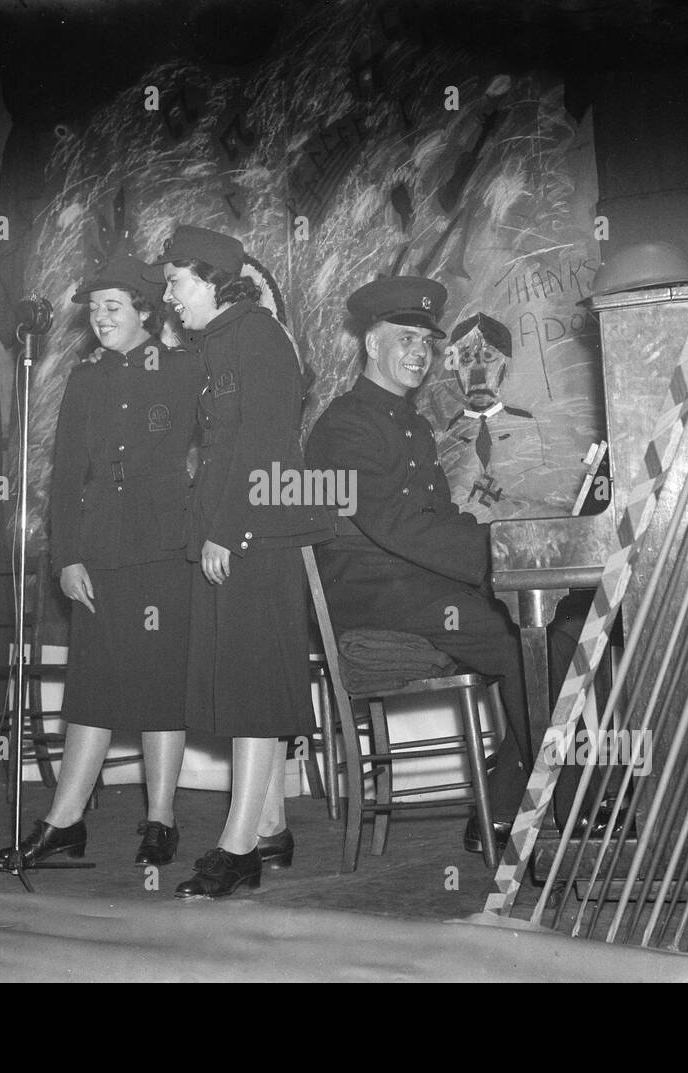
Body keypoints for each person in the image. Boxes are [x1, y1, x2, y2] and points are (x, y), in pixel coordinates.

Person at [304, 276, 535, 855]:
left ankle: (506, 803)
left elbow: (437, 520)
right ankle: (560, 800)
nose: (419, 354)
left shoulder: (410, 424)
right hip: (371, 592)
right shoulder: (347, 424)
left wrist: (505, 543)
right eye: (404, 339)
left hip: (413, 583)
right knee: (515, 640)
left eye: (426, 343)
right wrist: (492, 561)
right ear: (370, 345)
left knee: (553, 631)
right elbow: (396, 527)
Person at [144, 225, 331, 898]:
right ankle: (272, 826)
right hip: (227, 531)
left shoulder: (257, 335)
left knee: (252, 691)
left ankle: (238, 846)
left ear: (215, 279)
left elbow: (263, 442)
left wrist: (227, 529)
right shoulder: (211, 343)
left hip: (258, 534)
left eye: (176, 282)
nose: (169, 297)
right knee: (238, 683)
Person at [0, 254, 203, 869]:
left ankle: (161, 820)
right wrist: (65, 557)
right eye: (93, 309)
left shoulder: (184, 369)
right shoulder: (84, 379)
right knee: (90, 687)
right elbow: (66, 477)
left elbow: (218, 448)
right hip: (101, 547)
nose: (100, 318)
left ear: (147, 310)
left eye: (113, 307)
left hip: (166, 547)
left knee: (160, 683)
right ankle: (65, 821)